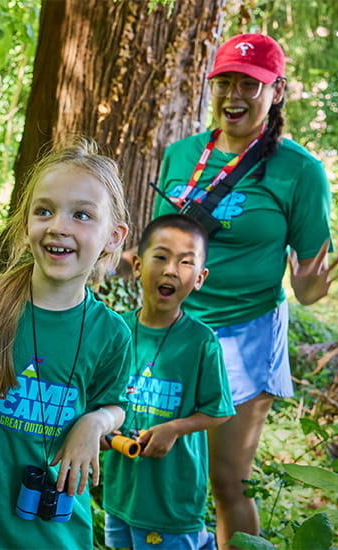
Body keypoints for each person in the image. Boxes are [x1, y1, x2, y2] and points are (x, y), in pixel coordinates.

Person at [148, 33, 338, 547]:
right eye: (226, 81)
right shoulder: (182, 154)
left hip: (245, 333)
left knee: (227, 480)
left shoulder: (300, 171)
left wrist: (308, 286)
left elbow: (308, 285)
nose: (235, 94)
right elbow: (161, 244)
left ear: (276, 91)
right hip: (172, 331)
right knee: (163, 467)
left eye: (250, 85)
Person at [0, 139, 135, 548]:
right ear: (25, 223)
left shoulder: (111, 333)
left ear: (113, 236)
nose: (59, 226)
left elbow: (114, 404)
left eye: (81, 215)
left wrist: (95, 422)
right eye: (44, 211)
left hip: (55, 533)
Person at [102, 214, 234, 550]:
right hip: (121, 494)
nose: (171, 270)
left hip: (172, 501)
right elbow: (100, 398)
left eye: (185, 262)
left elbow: (219, 411)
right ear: (136, 265)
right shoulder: (116, 331)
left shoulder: (200, 342)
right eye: (160, 257)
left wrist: (174, 429)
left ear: (200, 278)